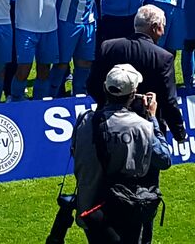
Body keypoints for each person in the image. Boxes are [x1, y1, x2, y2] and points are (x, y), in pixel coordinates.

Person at [72, 64, 172, 244]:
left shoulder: (84, 119)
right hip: (127, 207)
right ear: (133, 94)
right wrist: (152, 118)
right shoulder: (142, 126)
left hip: (91, 207)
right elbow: (164, 159)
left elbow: (75, 151)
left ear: (105, 88)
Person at [89, 5, 187, 142]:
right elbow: (168, 101)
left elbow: (93, 85)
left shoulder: (108, 47)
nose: (163, 31)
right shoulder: (163, 57)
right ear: (155, 27)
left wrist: (108, 105)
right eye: (163, 26)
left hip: (109, 125)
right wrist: (179, 134)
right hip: (148, 129)